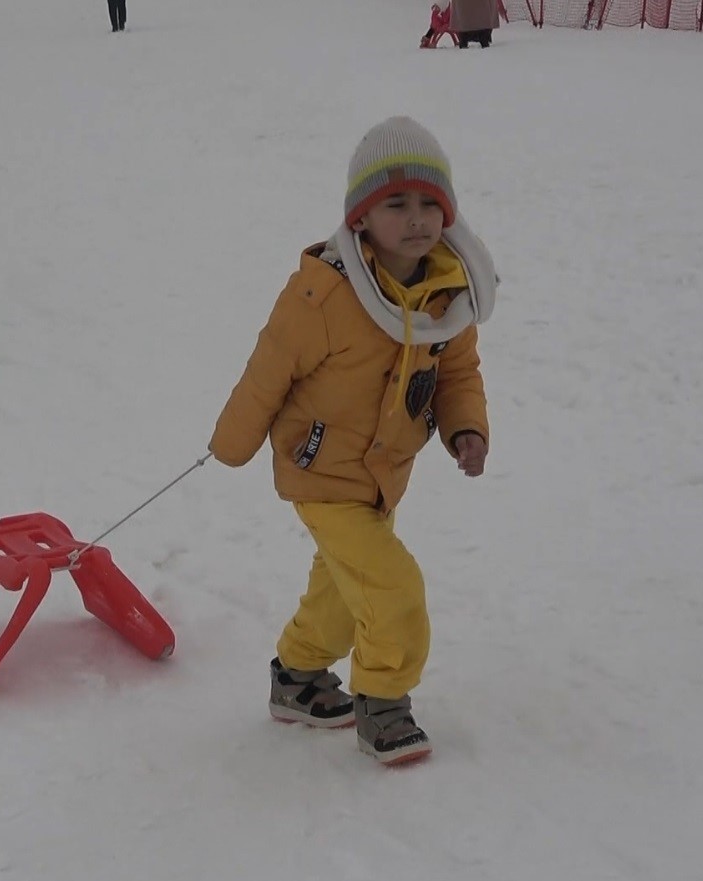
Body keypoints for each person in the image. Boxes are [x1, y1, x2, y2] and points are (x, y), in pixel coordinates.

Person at [208, 116, 496, 765]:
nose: (416, 219)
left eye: (429, 204)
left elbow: (456, 371)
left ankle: (298, 675)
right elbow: (268, 367)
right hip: (319, 466)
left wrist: (465, 427)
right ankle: (383, 700)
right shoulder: (323, 293)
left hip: (383, 472)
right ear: (361, 217)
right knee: (392, 586)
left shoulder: (445, 296)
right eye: (395, 204)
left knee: (340, 587)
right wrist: (231, 443)